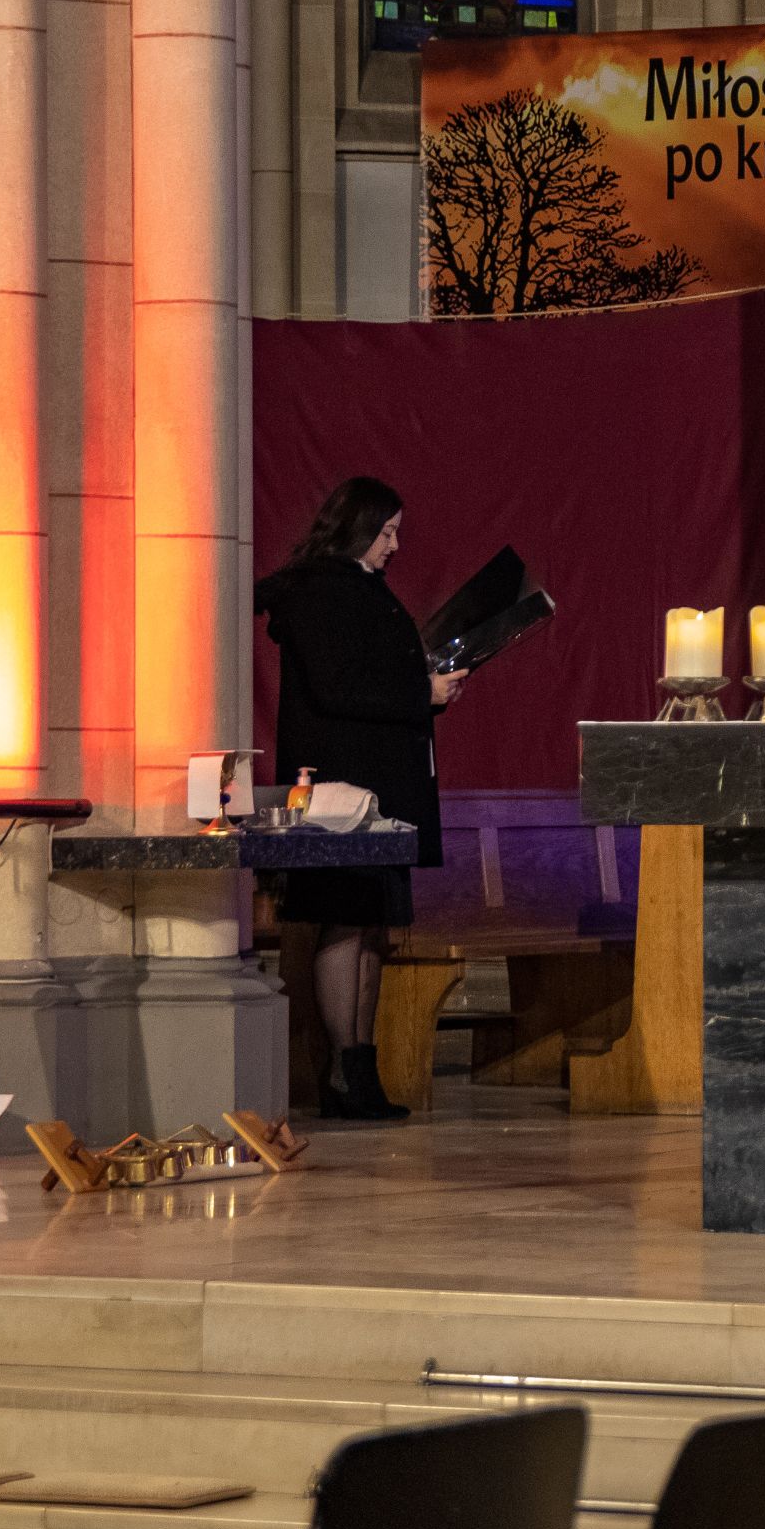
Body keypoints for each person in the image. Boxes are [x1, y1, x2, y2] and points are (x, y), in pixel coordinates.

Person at [255, 477, 465, 1119]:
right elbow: (338, 688)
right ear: (356, 528)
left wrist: (425, 686)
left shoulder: (357, 587)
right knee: (347, 919)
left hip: (380, 788)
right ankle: (344, 1074)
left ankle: (362, 1073)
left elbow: (368, 675)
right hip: (343, 796)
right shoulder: (320, 590)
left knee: (371, 926)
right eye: (386, 531)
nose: (395, 545)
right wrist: (421, 695)